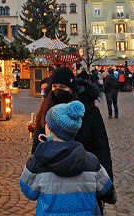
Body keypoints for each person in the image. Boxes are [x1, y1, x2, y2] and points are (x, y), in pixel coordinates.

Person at [30, 66, 113, 213]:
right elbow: (37, 143)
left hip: (84, 179)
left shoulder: (89, 111)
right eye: (54, 86)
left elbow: (102, 147)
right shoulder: (47, 109)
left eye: (62, 87)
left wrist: (105, 181)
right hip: (53, 183)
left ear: (72, 89)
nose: (57, 91)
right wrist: (35, 167)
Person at [20, 101, 116, 215]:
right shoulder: (91, 161)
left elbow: (29, 192)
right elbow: (107, 191)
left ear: (50, 130)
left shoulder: (37, 161)